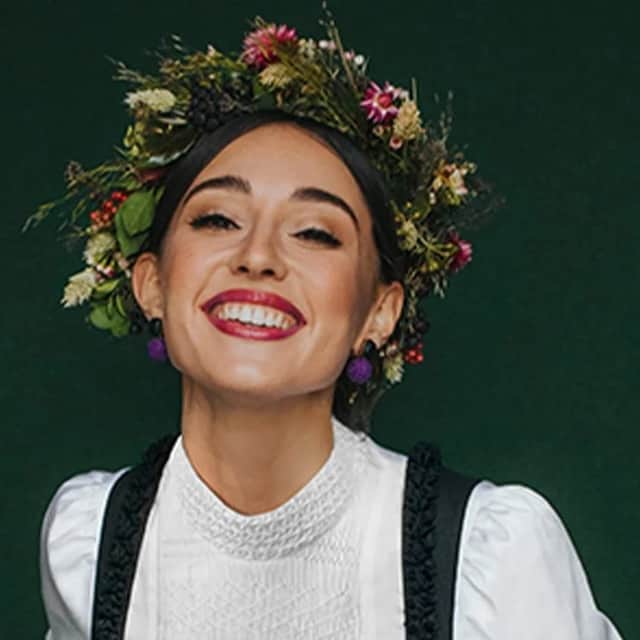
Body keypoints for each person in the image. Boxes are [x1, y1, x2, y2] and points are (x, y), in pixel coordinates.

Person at [29, 12, 624, 640]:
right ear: (150, 283)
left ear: (379, 312)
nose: (258, 255)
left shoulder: (494, 560)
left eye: (315, 232)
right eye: (217, 220)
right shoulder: (85, 543)